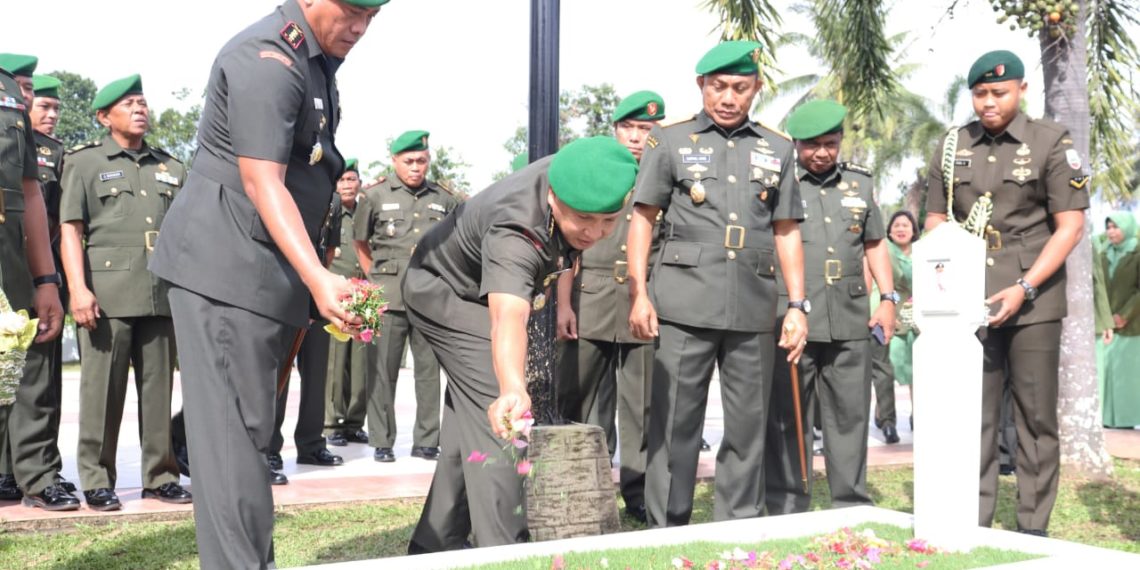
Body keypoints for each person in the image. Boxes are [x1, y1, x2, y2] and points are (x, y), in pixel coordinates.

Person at [148, 1, 386, 567]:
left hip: (257, 272)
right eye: (351, 10)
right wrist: (319, 278)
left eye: (372, 17)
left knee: (249, 438)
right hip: (227, 271)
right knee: (234, 443)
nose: (359, 27)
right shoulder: (269, 58)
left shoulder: (313, 60)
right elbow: (263, 181)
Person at [404, 136, 639, 552]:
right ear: (552, 197)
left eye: (609, 220)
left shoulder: (582, 170)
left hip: (481, 292)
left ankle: (435, 544)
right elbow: (507, 317)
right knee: (505, 417)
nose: (595, 232)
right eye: (583, 219)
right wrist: (513, 386)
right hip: (446, 291)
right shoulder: (517, 228)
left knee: (474, 420)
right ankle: (504, 552)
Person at [627, 40, 808, 528]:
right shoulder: (670, 140)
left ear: (757, 88)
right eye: (719, 86)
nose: (728, 97)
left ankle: (740, 523)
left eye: (740, 88)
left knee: (748, 427)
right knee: (675, 425)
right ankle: (667, 527)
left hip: (752, 306)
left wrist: (797, 305)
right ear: (701, 85)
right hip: (684, 302)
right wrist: (639, 292)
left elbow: (787, 229)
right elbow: (642, 218)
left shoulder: (778, 147)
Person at [924, 50, 1088, 537]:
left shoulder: (1050, 141)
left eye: (999, 92)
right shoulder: (953, 145)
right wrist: (941, 283)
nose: (989, 102)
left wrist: (1024, 286)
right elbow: (935, 220)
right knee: (973, 414)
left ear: (1021, 90)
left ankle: (1032, 526)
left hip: (1033, 298)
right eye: (980, 94)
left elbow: (1070, 226)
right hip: (968, 297)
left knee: (1035, 418)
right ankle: (970, 522)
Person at [59, 74, 191, 511]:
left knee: (158, 390)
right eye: (129, 104)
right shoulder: (85, 163)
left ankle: (161, 476)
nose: (139, 109)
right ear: (104, 117)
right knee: (102, 393)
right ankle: (97, 479)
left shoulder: (171, 167)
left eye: (142, 102)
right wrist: (78, 289)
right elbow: (70, 230)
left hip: (160, 290)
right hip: (107, 294)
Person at [763, 99, 897, 515]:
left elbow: (874, 243)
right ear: (796, 144)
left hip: (850, 316)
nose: (821, 153)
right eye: (811, 145)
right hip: (793, 317)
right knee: (788, 415)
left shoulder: (860, 184)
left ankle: (851, 502)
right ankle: (787, 503)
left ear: (840, 141)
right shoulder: (779, 182)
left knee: (850, 414)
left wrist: (888, 299)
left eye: (830, 143)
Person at [555, 90, 664, 523]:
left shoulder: (665, 175)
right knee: (582, 401)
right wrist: (564, 302)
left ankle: (639, 492)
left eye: (645, 129)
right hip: (591, 297)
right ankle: (584, 487)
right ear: (615, 130)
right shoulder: (594, 169)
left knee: (642, 405)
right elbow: (566, 246)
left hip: (642, 300)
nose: (636, 137)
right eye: (629, 128)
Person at [354, 130, 457, 463]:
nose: (416, 167)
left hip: (429, 296)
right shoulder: (374, 196)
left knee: (428, 371)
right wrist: (375, 281)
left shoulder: (444, 199)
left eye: (421, 161)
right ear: (395, 160)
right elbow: (360, 242)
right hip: (388, 297)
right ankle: (382, 439)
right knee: (382, 370)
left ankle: (426, 440)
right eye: (409, 161)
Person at [0, 54, 71, 509]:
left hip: (12, 252)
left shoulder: (9, 93)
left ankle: (38, 476)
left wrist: (46, 279)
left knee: (28, 364)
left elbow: (31, 192)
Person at [324, 158, 371, 447]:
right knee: (336, 362)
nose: (346, 185)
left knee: (361, 364)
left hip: (363, 296)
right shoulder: (330, 212)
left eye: (351, 179)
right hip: (337, 296)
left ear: (359, 183)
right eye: (341, 180)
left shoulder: (365, 212)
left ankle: (354, 422)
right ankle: (332, 422)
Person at [875, 210, 921, 437]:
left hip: (917, 320)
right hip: (888, 316)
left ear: (914, 230)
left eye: (906, 225)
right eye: (896, 225)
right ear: (889, 230)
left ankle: (918, 415)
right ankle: (886, 419)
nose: (901, 229)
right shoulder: (883, 250)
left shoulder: (923, 252)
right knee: (885, 371)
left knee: (918, 370)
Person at [1099, 212, 1140, 429]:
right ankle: (1106, 420)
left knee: (1127, 374)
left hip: (1132, 325)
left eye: (1116, 227)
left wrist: (1124, 314)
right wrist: (1106, 316)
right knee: (1106, 371)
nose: (1111, 232)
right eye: (1108, 227)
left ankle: (1126, 422)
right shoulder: (1103, 253)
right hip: (1106, 325)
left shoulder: (1137, 252)